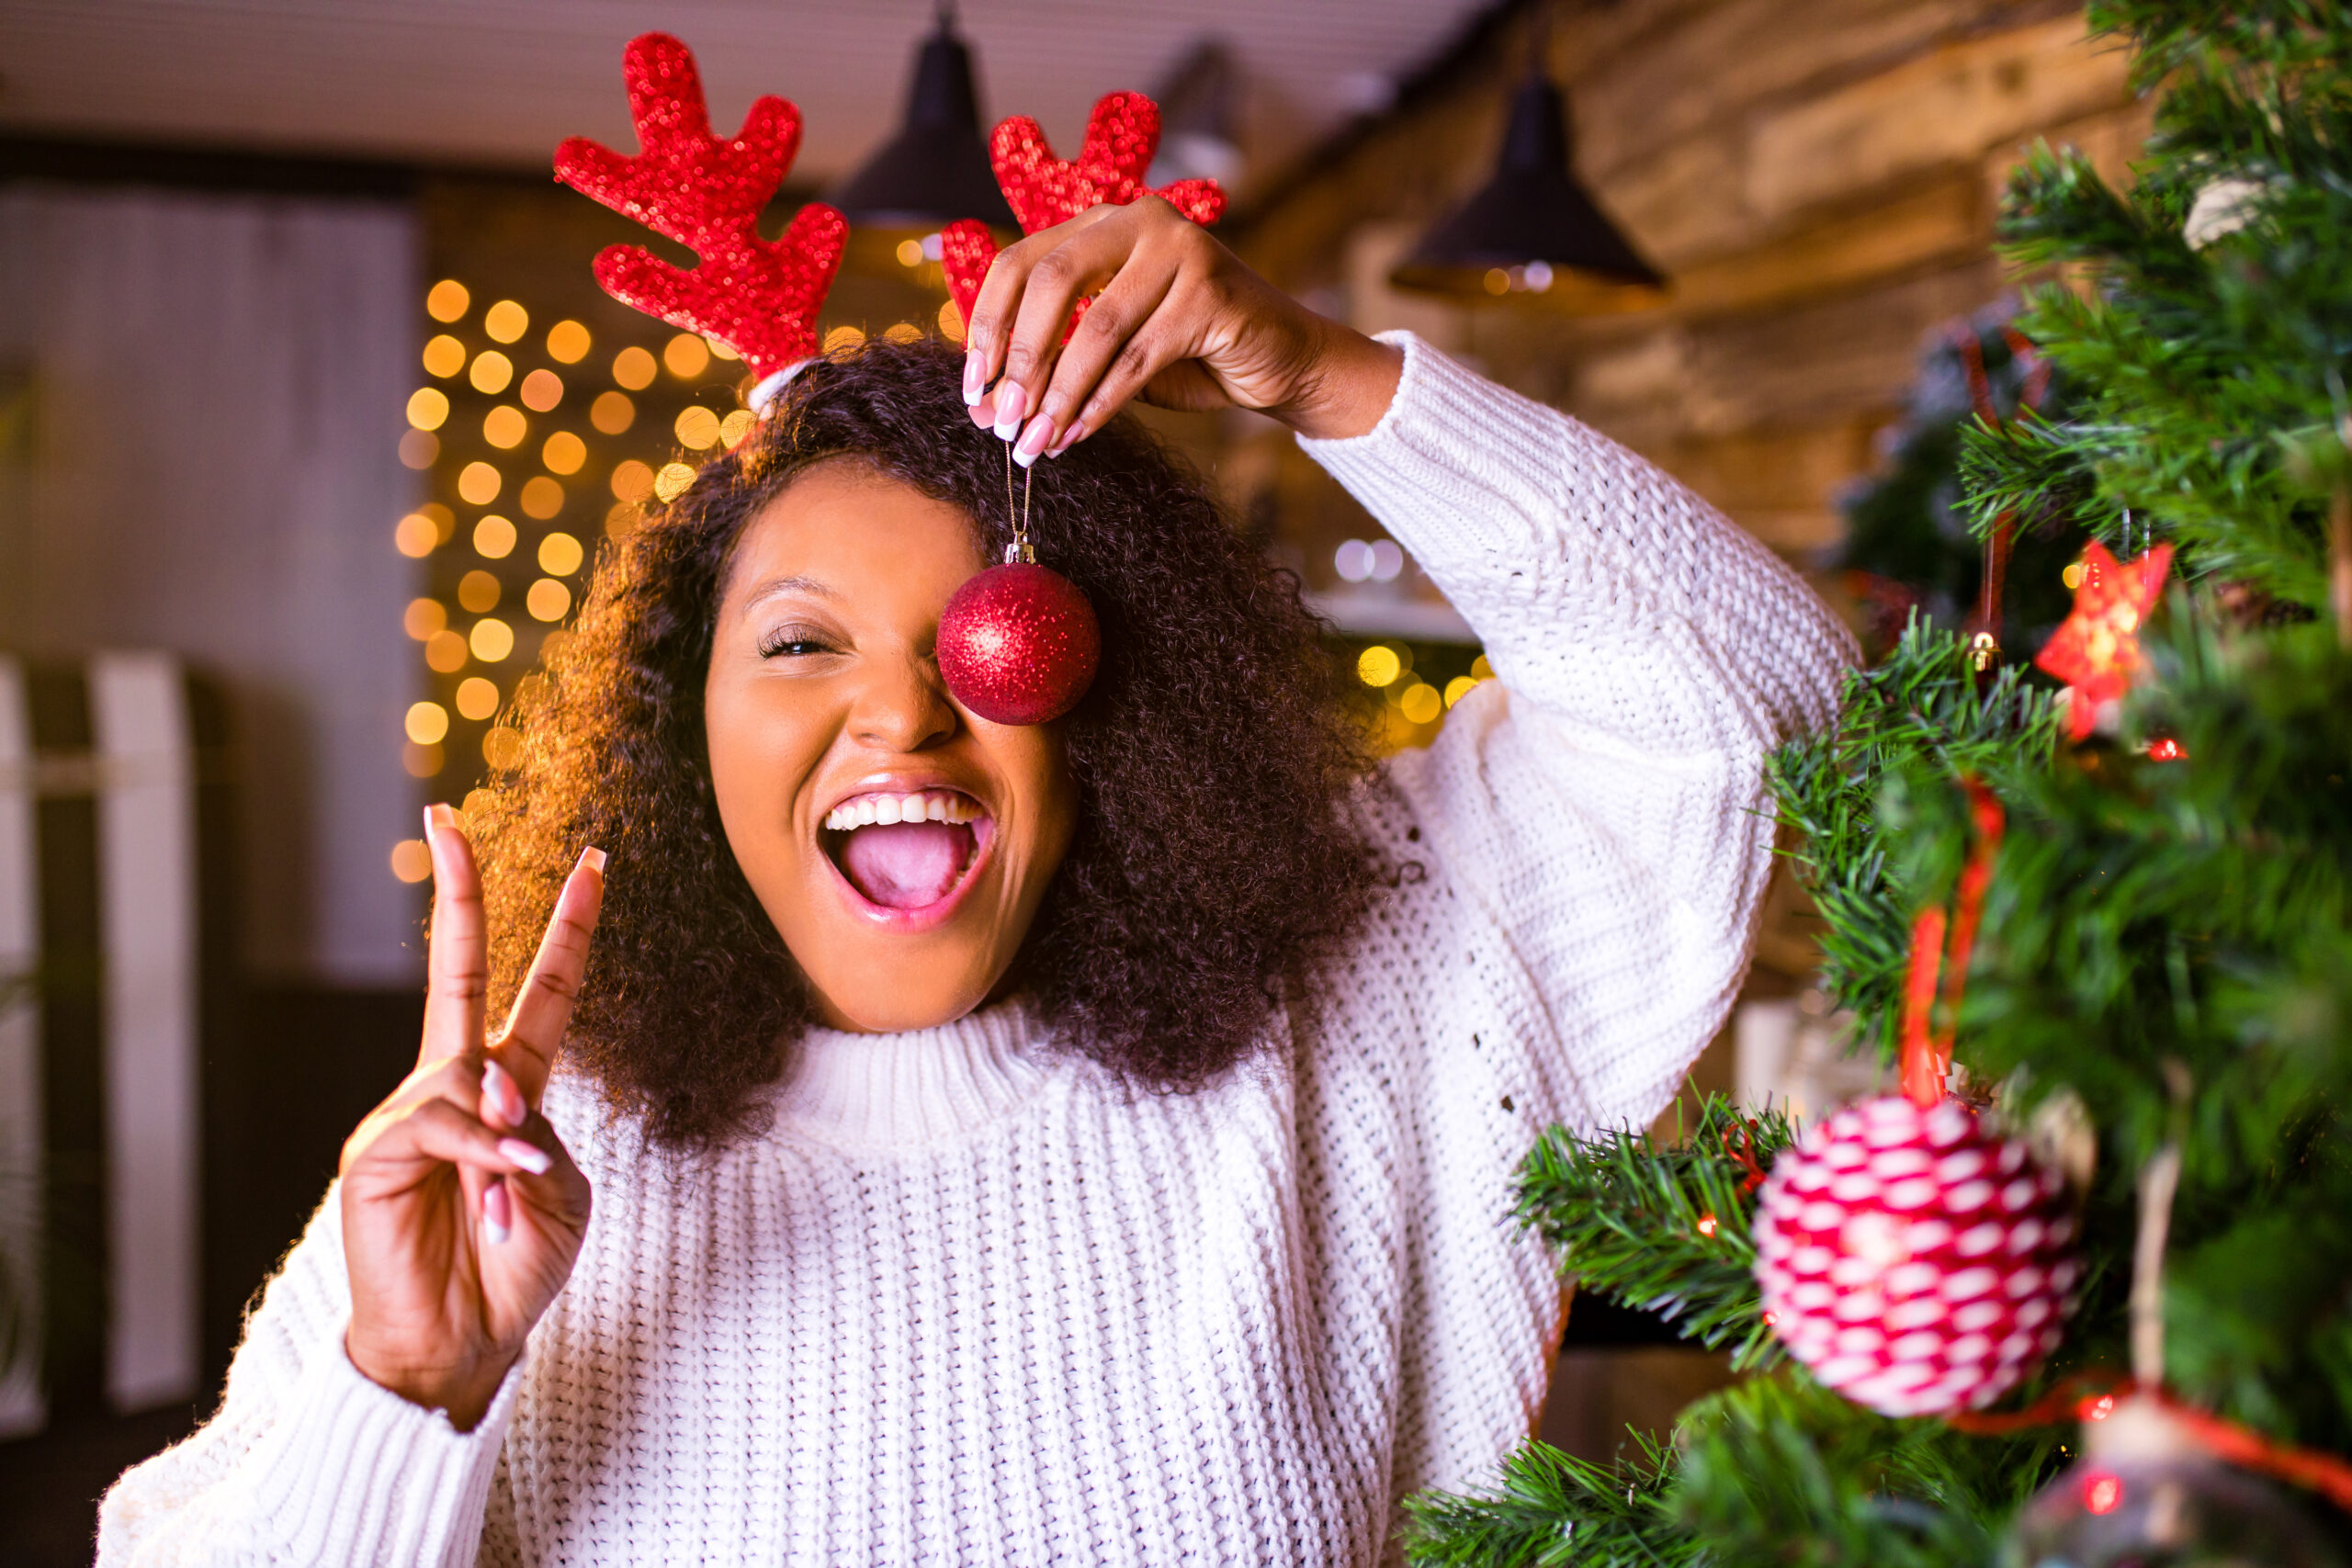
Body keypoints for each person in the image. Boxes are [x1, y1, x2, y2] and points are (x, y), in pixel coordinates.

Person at [98, 197, 1851, 1565]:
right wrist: (404, 1398)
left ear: (1109, 706)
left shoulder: (1368, 990)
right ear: (679, 731)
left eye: (985, 642)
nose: (898, 710)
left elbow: (1750, 709)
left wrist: (1318, 371)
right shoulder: (510, 1170)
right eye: (799, 644)